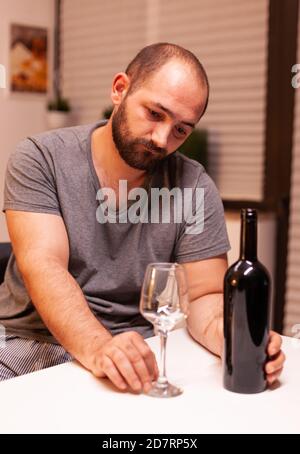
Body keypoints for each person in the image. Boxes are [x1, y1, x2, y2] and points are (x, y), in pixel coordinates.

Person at [0, 43, 285, 391]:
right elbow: (44, 265)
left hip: (138, 350)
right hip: (29, 343)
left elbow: (203, 296)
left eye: (181, 130)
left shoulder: (194, 185)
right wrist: (100, 347)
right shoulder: (40, 158)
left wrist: (233, 341)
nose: (162, 139)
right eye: (154, 114)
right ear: (120, 89)